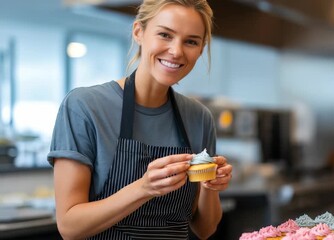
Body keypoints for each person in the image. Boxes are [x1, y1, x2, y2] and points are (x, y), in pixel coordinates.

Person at [47, 0, 232, 239]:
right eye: (165, 35)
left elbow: (205, 229)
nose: (176, 51)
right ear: (138, 32)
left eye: (191, 41)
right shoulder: (84, 106)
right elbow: (70, 227)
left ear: (201, 48)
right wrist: (143, 188)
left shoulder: (199, 117)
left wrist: (210, 186)